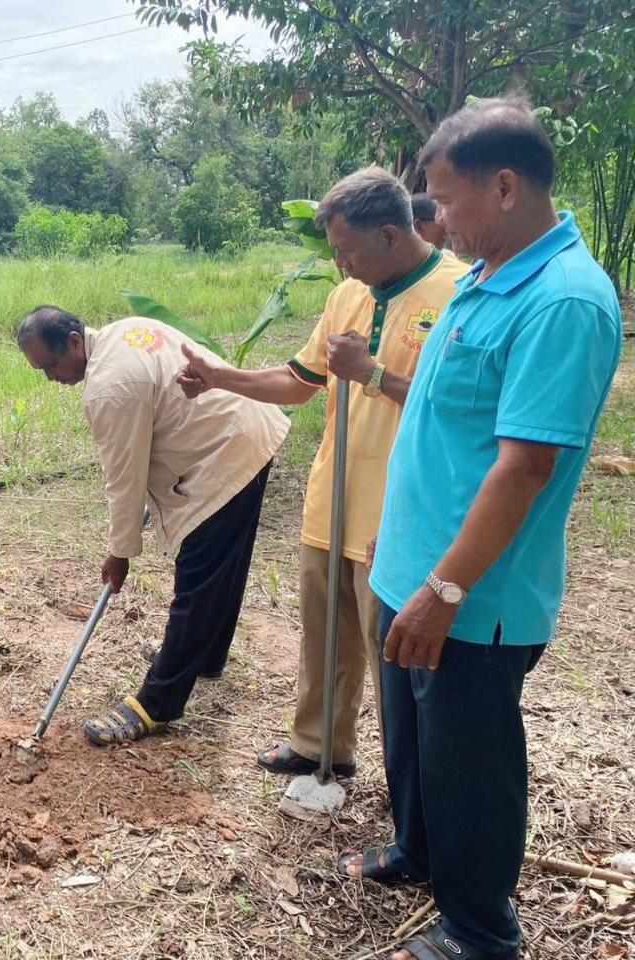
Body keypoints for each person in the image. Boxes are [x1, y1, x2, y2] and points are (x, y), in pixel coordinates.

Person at [344, 98, 622, 960]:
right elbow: (441, 423)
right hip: (413, 571)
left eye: (444, 199)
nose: (433, 219)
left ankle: (479, 927)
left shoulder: (563, 301)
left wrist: (445, 588)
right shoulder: (485, 275)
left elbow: (524, 467)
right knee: (416, 740)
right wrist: (404, 559)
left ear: (504, 188)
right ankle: (418, 852)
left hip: (471, 594)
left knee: (472, 763)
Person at [180, 167, 467, 780]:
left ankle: (409, 781)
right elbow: (300, 382)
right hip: (332, 497)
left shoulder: (458, 294)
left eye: (346, 250)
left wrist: (371, 373)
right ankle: (319, 743)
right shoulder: (348, 296)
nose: (339, 265)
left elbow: (458, 411)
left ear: (390, 235)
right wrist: (219, 377)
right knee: (323, 630)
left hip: (400, 510)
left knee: (390, 648)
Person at [18, 307, 289, 745]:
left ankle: (157, 703)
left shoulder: (108, 388)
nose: (50, 377)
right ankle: (207, 656)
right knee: (223, 567)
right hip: (245, 431)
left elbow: (124, 481)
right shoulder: (124, 328)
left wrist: (120, 552)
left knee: (199, 580)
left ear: (72, 341)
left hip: (223, 453)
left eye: (50, 365)